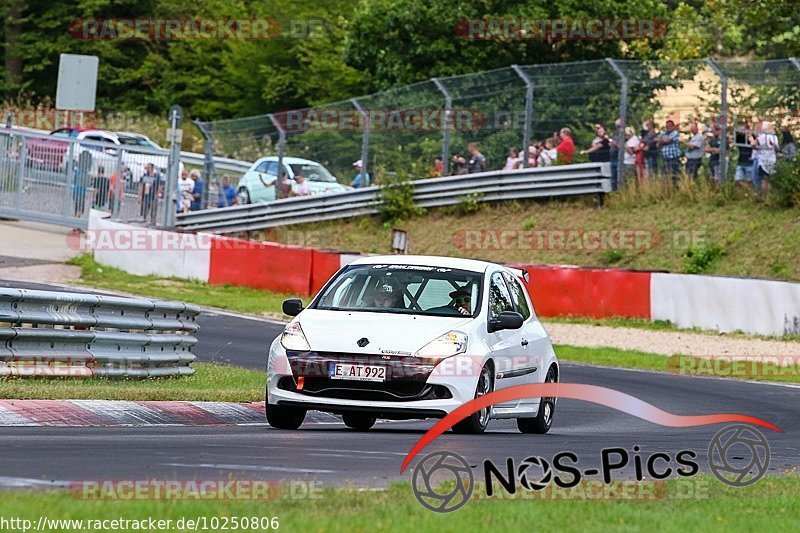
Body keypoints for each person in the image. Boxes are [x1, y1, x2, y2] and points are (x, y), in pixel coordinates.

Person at [751, 121, 779, 194]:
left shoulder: (761, 136)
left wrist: (751, 139)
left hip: (763, 161)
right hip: (772, 161)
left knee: (763, 179)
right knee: (769, 179)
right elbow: (776, 148)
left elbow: (754, 145)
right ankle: (769, 197)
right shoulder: (775, 137)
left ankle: (764, 197)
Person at [73, 150, 92, 217]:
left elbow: (74, 180)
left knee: (77, 207)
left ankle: (76, 218)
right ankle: (77, 219)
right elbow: (87, 183)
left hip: (76, 192)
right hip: (81, 193)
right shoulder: (84, 173)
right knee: (80, 209)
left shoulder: (77, 171)